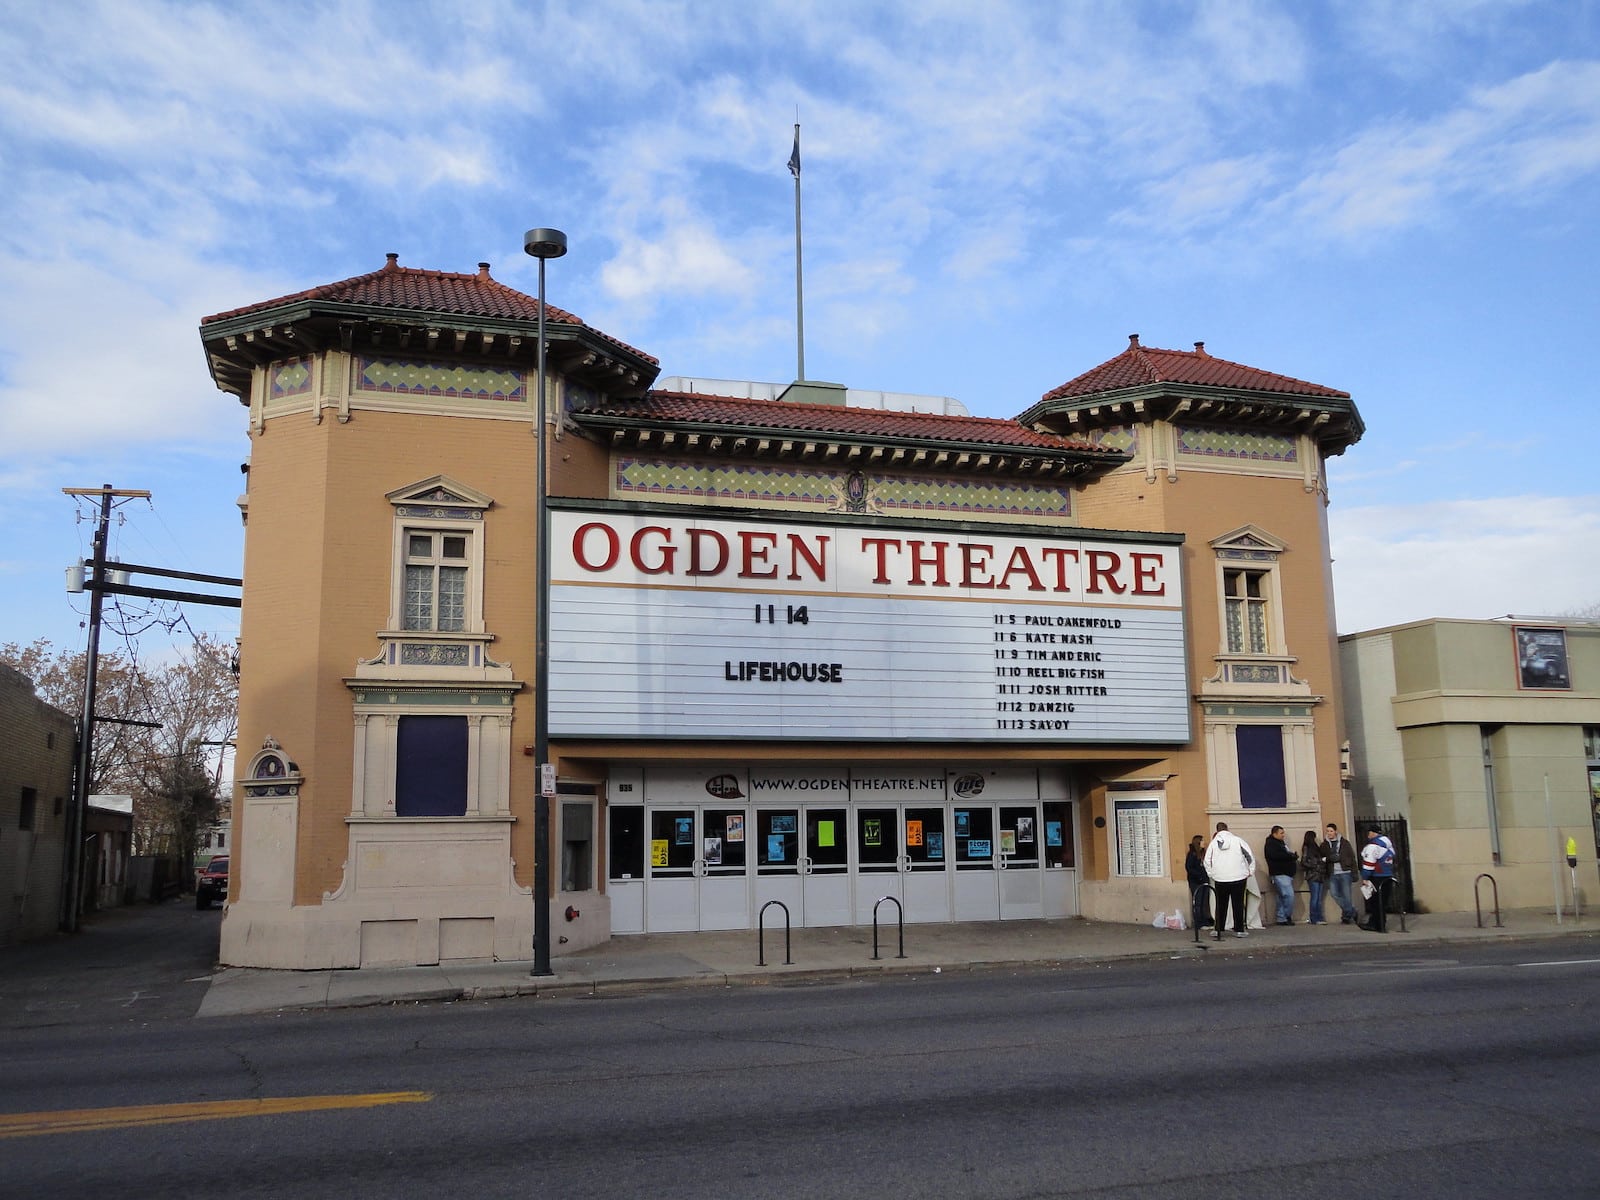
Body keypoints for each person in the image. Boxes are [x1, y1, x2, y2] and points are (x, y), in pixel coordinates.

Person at [1203, 821, 1256, 940]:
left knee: (1221, 904)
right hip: (1239, 877)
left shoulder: (1213, 844)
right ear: (1227, 829)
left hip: (1220, 878)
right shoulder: (1238, 840)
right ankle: (1239, 930)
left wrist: (1212, 874)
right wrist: (1249, 871)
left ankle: (1218, 929)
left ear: (1217, 830)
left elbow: (1207, 861)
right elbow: (1250, 856)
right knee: (1238, 904)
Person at [1319, 823, 1359, 924]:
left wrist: (1355, 872)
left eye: (1331, 831)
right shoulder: (1324, 845)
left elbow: (1352, 857)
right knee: (1334, 894)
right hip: (1332, 873)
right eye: (1327, 831)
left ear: (1335, 831)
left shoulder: (1345, 843)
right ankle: (1352, 911)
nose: (1329, 833)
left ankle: (1346, 916)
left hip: (1345, 872)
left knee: (1346, 895)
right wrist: (1329, 858)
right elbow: (1323, 859)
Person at [1360, 829, 1397, 932]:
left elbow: (1369, 864)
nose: (1368, 835)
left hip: (1376, 876)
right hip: (1388, 876)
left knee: (1375, 903)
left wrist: (1365, 878)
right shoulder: (1388, 845)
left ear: (1373, 833)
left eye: (1369, 832)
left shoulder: (1373, 846)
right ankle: (1375, 923)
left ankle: (1378, 925)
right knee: (1382, 902)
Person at [1264, 825, 1297, 925]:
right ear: (1275, 834)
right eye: (1281, 833)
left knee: (1282, 896)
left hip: (1286, 873)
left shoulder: (1280, 843)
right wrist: (1290, 856)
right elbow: (1276, 856)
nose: (1283, 835)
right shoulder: (1271, 844)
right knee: (1288, 895)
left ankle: (1281, 917)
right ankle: (1286, 915)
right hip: (1280, 873)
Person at [1299, 830, 1329, 924]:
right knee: (1315, 897)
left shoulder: (1315, 847)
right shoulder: (1307, 847)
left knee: (1318, 898)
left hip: (1319, 874)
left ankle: (1319, 917)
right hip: (1313, 875)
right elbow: (1303, 862)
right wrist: (1318, 863)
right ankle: (1314, 918)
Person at [1185, 835, 1213, 930]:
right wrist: (1199, 876)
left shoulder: (1202, 854)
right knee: (1198, 902)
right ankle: (1199, 922)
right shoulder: (1192, 854)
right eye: (1202, 841)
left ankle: (1205, 920)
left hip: (1204, 880)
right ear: (1198, 843)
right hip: (1196, 882)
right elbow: (1189, 868)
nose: (1204, 842)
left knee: (1204, 902)